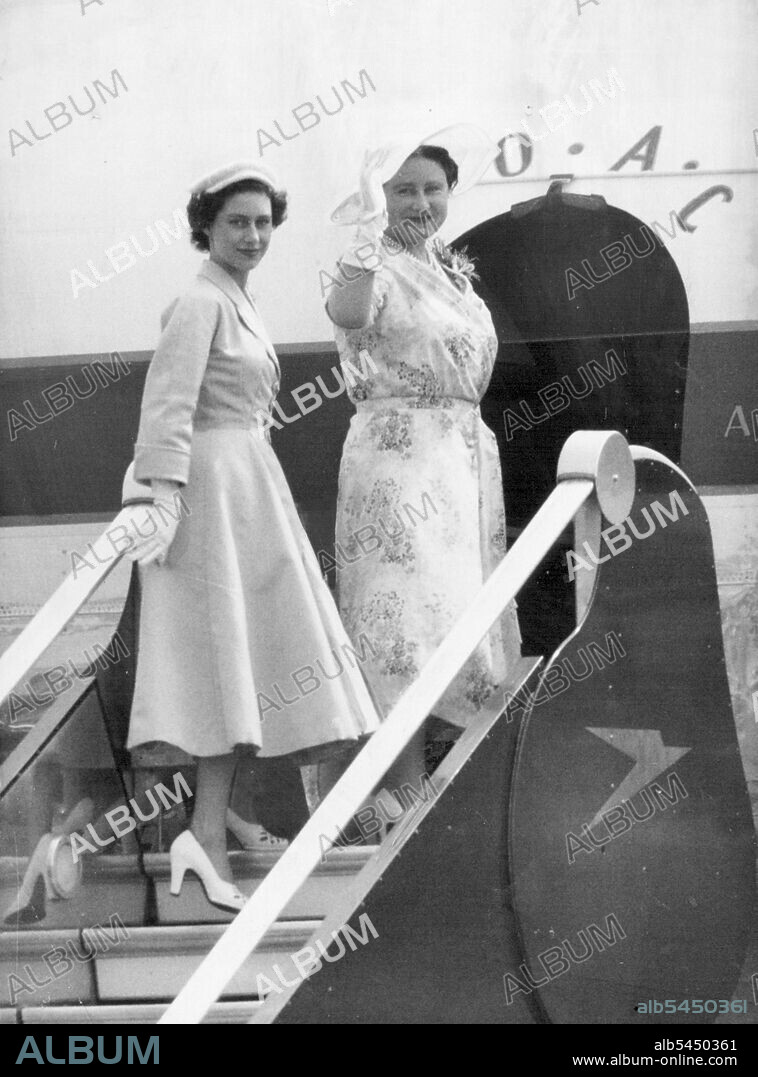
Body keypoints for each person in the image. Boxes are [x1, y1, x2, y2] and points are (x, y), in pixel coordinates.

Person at [125, 163, 379, 911]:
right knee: (218, 667)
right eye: (238, 221)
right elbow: (166, 407)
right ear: (207, 225)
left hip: (246, 489)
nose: (254, 235)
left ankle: (204, 835)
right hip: (208, 493)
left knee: (239, 669)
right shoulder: (199, 301)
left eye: (264, 222)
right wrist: (164, 498)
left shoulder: (238, 299)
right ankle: (202, 837)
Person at [321, 126, 522, 812]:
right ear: (378, 196)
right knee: (400, 623)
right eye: (402, 189)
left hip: (460, 461)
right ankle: (399, 785)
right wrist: (367, 238)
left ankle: (421, 782)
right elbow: (347, 309)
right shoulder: (369, 262)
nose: (419, 201)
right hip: (397, 460)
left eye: (431, 188)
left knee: (456, 620)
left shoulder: (449, 267)